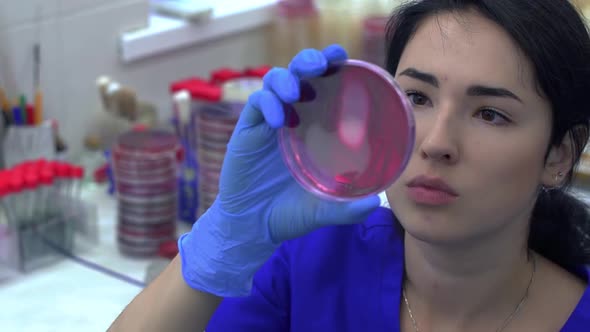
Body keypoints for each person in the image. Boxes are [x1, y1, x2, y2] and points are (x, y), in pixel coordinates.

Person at [108, 0, 590, 331]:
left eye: (490, 113)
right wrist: (224, 239)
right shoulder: (310, 263)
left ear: (560, 155)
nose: (437, 142)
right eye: (417, 97)